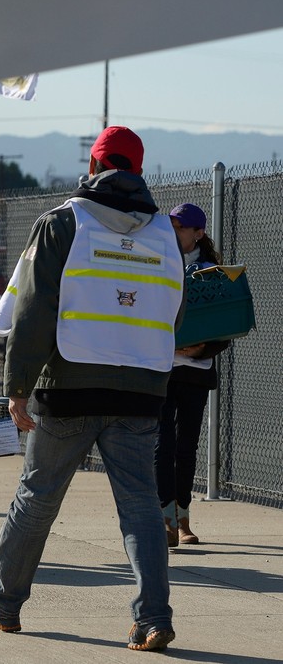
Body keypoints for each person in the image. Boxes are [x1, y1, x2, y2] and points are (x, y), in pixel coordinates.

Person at [0, 126, 183, 652]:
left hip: (68, 385)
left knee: (37, 497)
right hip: (140, 391)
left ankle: (4, 598)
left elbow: (34, 309)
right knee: (141, 507)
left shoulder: (65, 221)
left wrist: (16, 386)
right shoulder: (162, 232)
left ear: (94, 164)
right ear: (137, 168)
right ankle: (153, 616)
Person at [155, 202, 229, 548]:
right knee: (162, 445)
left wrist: (197, 350)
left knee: (186, 447)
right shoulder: (157, 262)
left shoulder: (212, 270)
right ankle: (165, 520)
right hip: (161, 370)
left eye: (180, 227)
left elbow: (226, 327)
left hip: (196, 374)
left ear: (197, 233)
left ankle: (184, 520)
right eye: (170, 225)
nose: (172, 231)